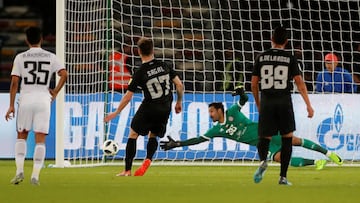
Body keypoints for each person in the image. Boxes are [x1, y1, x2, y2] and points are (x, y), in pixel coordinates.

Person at [160, 87, 342, 170]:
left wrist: (241, 92)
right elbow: (198, 139)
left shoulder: (232, 111)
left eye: (212, 111)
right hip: (263, 143)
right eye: (209, 112)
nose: (210, 115)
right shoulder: (216, 130)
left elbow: (244, 100)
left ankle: (328, 153)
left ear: (220, 110)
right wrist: (177, 144)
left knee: (295, 140)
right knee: (280, 158)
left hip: (269, 130)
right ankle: (316, 163)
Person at [104, 37, 184, 176]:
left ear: (139, 52)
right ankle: (148, 159)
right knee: (153, 135)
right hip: (165, 107)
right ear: (153, 50)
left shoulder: (140, 72)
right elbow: (179, 85)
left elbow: (128, 96)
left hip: (149, 107)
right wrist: (179, 102)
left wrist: (116, 112)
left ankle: (127, 170)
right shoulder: (165, 65)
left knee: (133, 134)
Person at [251, 26, 314, 185]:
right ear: (286, 42)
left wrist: (259, 103)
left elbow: (253, 84)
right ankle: (283, 177)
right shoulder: (291, 58)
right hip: (284, 102)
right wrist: (308, 105)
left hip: (267, 101)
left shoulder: (261, 57)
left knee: (264, 137)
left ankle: (263, 160)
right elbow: (299, 83)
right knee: (287, 139)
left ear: (271, 40)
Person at [5, 26, 68, 185]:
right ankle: (35, 176)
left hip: (26, 98)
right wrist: (55, 92)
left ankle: (19, 172)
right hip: (43, 99)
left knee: (22, 135)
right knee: (40, 138)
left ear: (27, 40)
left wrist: (11, 105)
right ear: (41, 39)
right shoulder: (51, 56)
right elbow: (64, 74)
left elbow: (14, 82)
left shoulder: (20, 57)